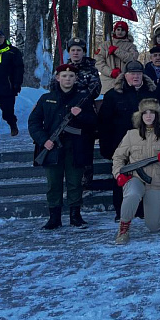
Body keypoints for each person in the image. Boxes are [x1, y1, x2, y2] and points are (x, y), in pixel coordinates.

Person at [28, 63, 97, 230]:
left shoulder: (83, 99)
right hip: (52, 148)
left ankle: (75, 216)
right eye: (64, 76)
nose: (68, 79)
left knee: (75, 183)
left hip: (76, 147)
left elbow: (94, 122)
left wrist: (80, 115)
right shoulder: (46, 99)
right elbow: (34, 122)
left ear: (76, 79)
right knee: (53, 183)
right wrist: (44, 140)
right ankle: (54, 217)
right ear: (57, 78)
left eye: (71, 76)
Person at [112, 98, 160, 244]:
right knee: (132, 194)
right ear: (140, 116)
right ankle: (123, 229)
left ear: (158, 115)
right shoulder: (131, 134)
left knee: (154, 226)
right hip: (136, 178)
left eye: (152, 113)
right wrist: (118, 174)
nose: (148, 116)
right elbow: (118, 157)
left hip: (157, 182)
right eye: (145, 113)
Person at [97, 60, 157, 220]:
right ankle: (121, 211)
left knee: (146, 177)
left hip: (147, 144)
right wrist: (107, 148)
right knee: (122, 179)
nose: (136, 76)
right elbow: (104, 123)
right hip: (120, 145)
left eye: (138, 73)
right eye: (132, 73)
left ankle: (143, 210)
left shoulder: (152, 94)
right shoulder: (113, 95)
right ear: (125, 75)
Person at [49, 37, 101, 188]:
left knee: (85, 148)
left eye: (79, 50)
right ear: (69, 52)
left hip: (84, 113)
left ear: (84, 52)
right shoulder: (63, 68)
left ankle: (86, 180)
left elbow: (95, 90)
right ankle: (70, 181)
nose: (76, 53)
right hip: (65, 114)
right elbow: (53, 88)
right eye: (73, 50)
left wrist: (75, 89)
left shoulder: (91, 69)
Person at [97, 20, 139, 94]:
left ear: (126, 32)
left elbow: (132, 59)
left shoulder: (131, 46)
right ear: (114, 30)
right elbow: (98, 62)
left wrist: (117, 51)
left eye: (122, 30)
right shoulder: (104, 45)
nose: (120, 32)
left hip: (124, 83)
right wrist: (110, 72)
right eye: (118, 29)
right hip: (107, 83)